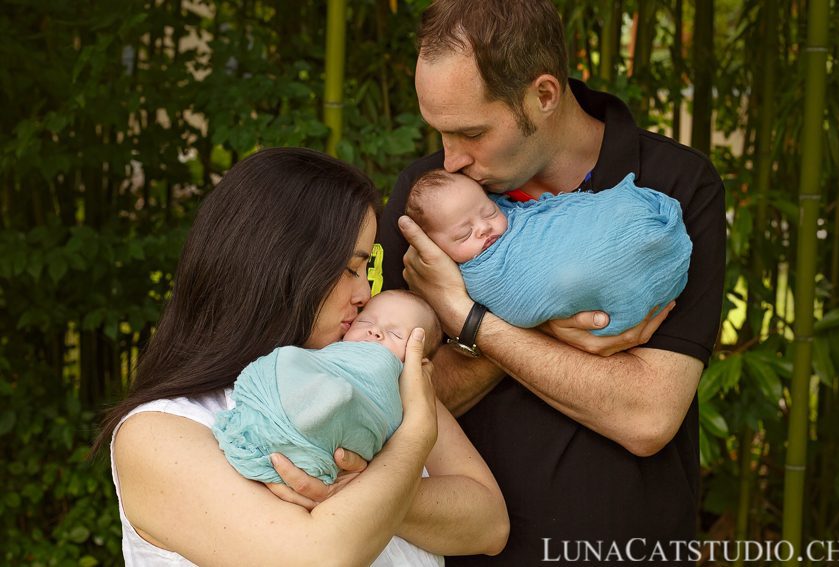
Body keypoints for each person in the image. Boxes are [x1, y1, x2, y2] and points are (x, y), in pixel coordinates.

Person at [375, 0, 726, 564]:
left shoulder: (672, 190)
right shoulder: (431, 199)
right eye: (438, 132)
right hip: (462, 551)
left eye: (471, 133)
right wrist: (546, 318)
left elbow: (647, 415)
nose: (451, 158)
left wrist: (470, 318)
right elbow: (392, 405)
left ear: (543, 95)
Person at [94, 147, 509, 566]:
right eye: (351, 268)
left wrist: (357, 484)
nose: (365, 294)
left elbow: (489, 524)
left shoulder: (371, 367)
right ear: (279, 265)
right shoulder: (159, 432)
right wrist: (413, 443)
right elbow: (317, 557)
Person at [405, 169, 691, 337]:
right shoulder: (476, 275)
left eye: (489, 212)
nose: (483, 228)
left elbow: (555, 220)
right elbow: (520, 303)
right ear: (436, 249)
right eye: (463, 234)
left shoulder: (515, 216)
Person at [213, 290, 443, 486]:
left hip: (353, 417)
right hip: (304, 389)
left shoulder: (413, 402)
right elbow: (312, 363)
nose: (374, 332)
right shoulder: (327, 353)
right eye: (364, 322)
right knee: (289, 361)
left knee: (348, 402)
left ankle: (325, 411)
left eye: (395, 334)